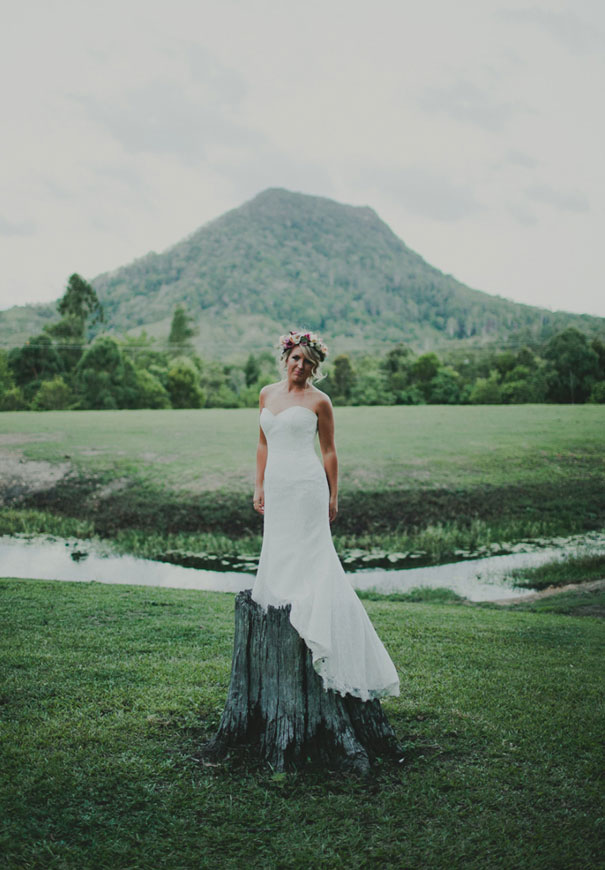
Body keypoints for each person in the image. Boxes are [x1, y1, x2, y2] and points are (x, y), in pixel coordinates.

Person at [251, 330, 400, 702]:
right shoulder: (267, 394)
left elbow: (330, 451)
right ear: (286, 358)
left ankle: (318, 625)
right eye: (296, 358)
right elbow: (262, 442)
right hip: (278, 484)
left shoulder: (320, 402)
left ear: (315, 368)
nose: (300, 366)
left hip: (306, 484)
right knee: (280, 546)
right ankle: (284, 607)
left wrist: (334, 493)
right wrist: (258, 485)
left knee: (313, 552)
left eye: (308, 362)